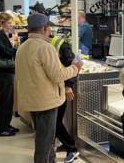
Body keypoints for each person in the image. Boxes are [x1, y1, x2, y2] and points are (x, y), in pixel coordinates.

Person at [15, 13, 82, 163]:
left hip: (31, 100)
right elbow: (57, 75)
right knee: (44, 142)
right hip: (46, 101)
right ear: (45, 28)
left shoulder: (22, 47)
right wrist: (74, 68)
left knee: (44, 138)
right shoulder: (46, 48)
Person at [49, 35, 79, 163]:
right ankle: (62, 147)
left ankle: (71, 148)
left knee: (55, 123)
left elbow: (75, 64)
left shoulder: (60, 43)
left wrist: (68, 86)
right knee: (53, 123)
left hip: (60, 89)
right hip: (49, 91)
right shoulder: (38, 44)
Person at [0, 12, 18, 137]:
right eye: (8, 23)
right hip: (2, 71)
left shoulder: (1, 34)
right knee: (4, 100)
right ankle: (1, 128)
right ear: (2, 22)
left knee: (8, 99)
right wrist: (15, 50)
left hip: (4, 71)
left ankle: (6, 124)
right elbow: (4, 51)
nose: (10, 25)